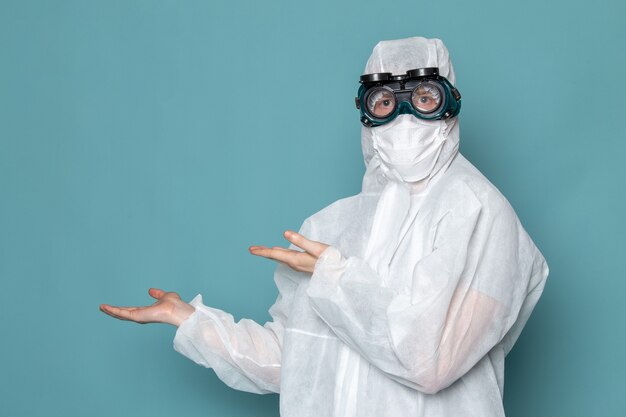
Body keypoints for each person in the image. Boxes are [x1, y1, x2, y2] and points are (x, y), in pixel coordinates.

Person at [101, 36, 549, 417]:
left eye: (425, 97)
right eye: (386, 101)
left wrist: (336, 276)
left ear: (450, 104)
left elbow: (429, 360)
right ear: (366, 112)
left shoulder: (480, 212)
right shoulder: (332, 225)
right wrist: (195, 323)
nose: (406, 117)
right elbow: (293, 360)